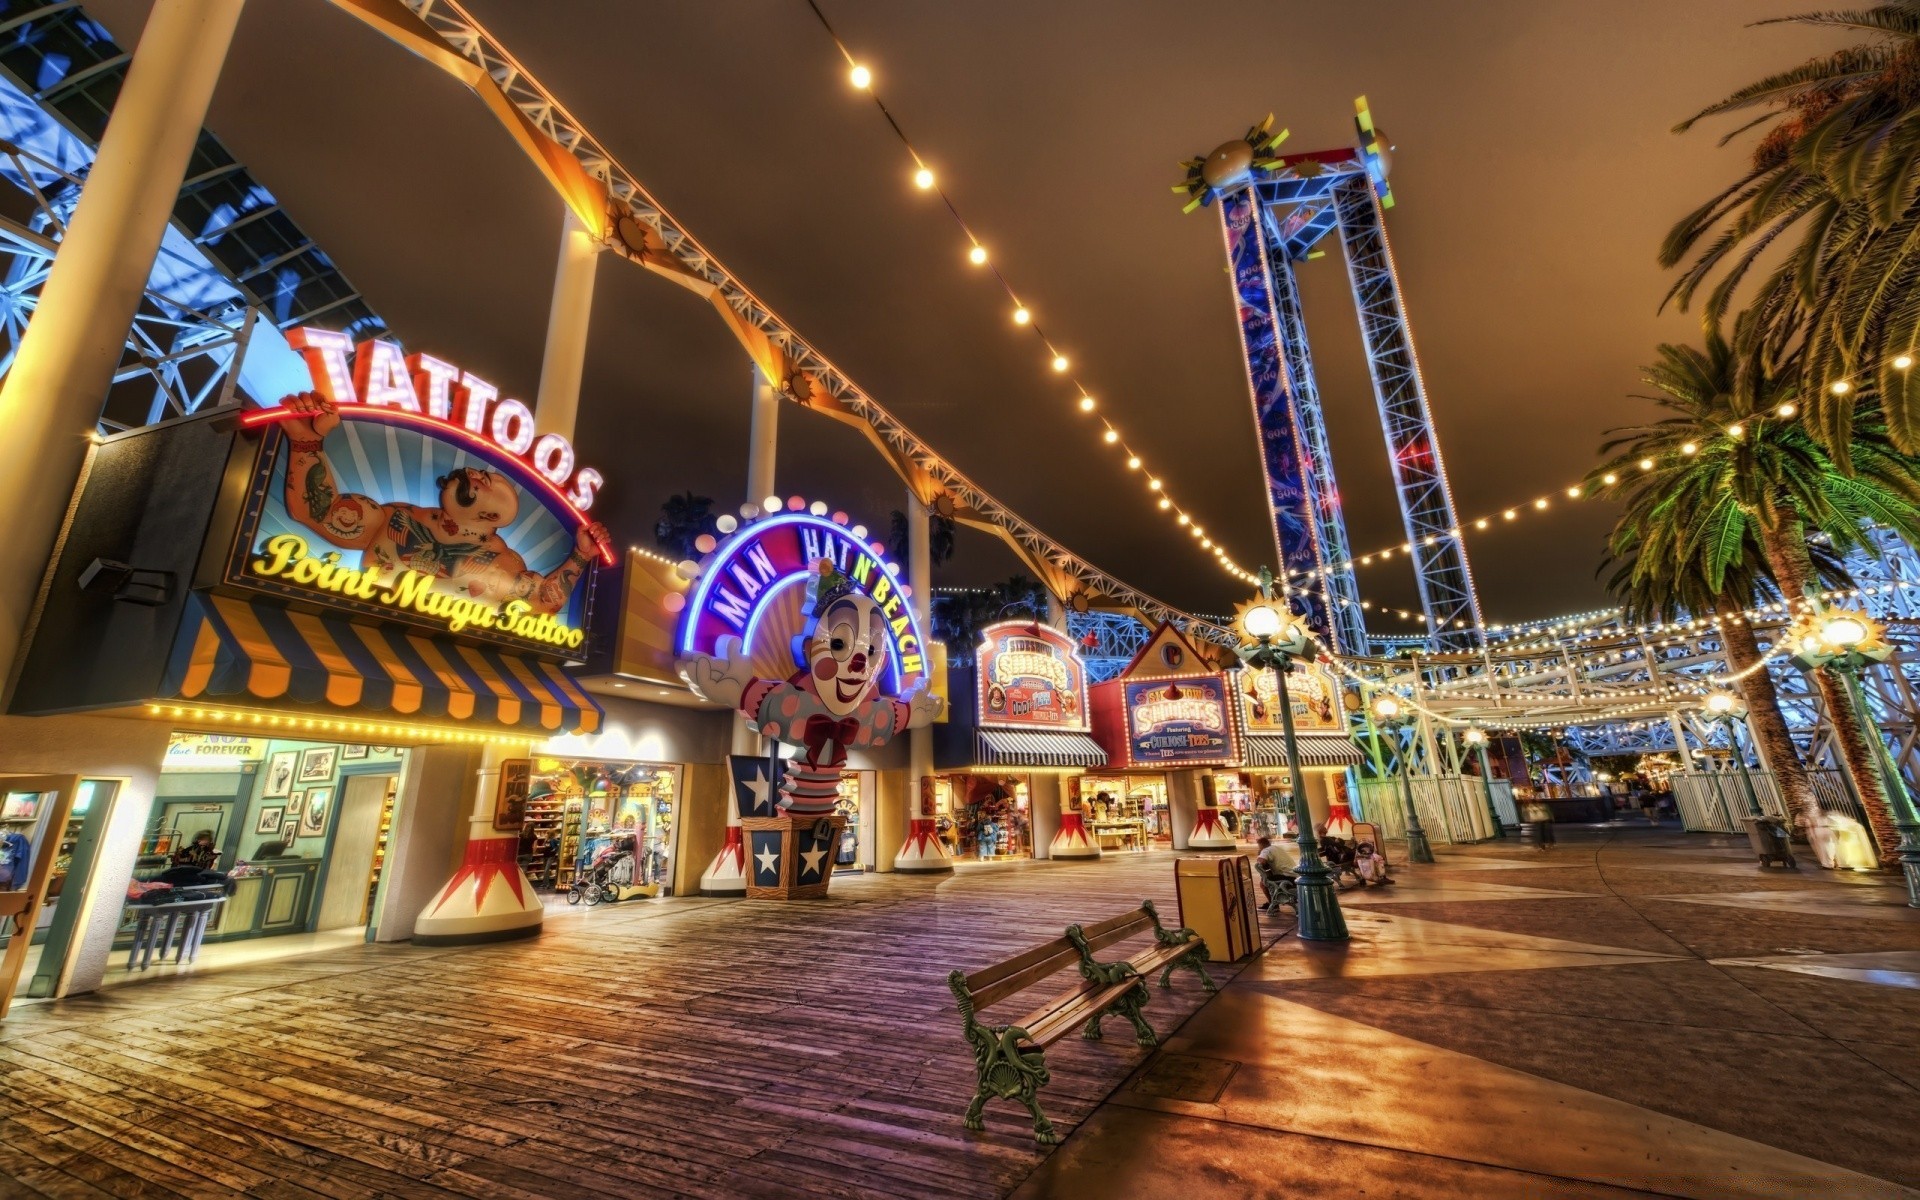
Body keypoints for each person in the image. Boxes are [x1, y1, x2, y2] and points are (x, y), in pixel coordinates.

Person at [276, 391, 606, 612]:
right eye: (480, 473)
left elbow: (544, 601)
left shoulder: (503, 565)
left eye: (487, 484)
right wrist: (306, 440)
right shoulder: (396, 519)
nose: (477, 476)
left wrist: (580, 556)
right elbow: (318, 512)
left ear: (491, 515)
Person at [1254, 835, 1298, 912]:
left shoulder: (1266, 850)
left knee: (1263, 883)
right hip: (1294, 875)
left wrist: (1259, 855)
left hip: (1286, 876)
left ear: (1261, 845)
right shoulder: (1276, 848)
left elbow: (1260, 862)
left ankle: (1273, 904)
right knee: (1268, 880)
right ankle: (1274, 902)